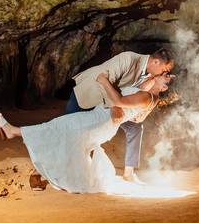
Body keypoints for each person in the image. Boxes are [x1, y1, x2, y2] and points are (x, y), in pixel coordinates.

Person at [0, 73, 172, 194]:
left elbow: (118, 100)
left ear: (163, 87)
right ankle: (50, 175)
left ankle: (13, 132)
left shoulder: (147, 98)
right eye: (166, 71)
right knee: (69, 140)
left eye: (166, 76)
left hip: (101, 121)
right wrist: (151, 78)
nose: (164, 72)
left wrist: (104, 81)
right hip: (101, 119)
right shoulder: (147, 93)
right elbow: (136, 108)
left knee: (59, 128)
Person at [65, 48, 175, 184]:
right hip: (89, 93)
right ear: (156, 62)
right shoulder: (128, 59)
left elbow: (138, 94)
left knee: (135, 128)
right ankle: (42, 170)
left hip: (109, 104)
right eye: (165, 69)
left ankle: (129, 174)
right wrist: (115, 106)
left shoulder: (151, 75)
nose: (166, 73)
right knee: (67, 131)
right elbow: (103, 77)